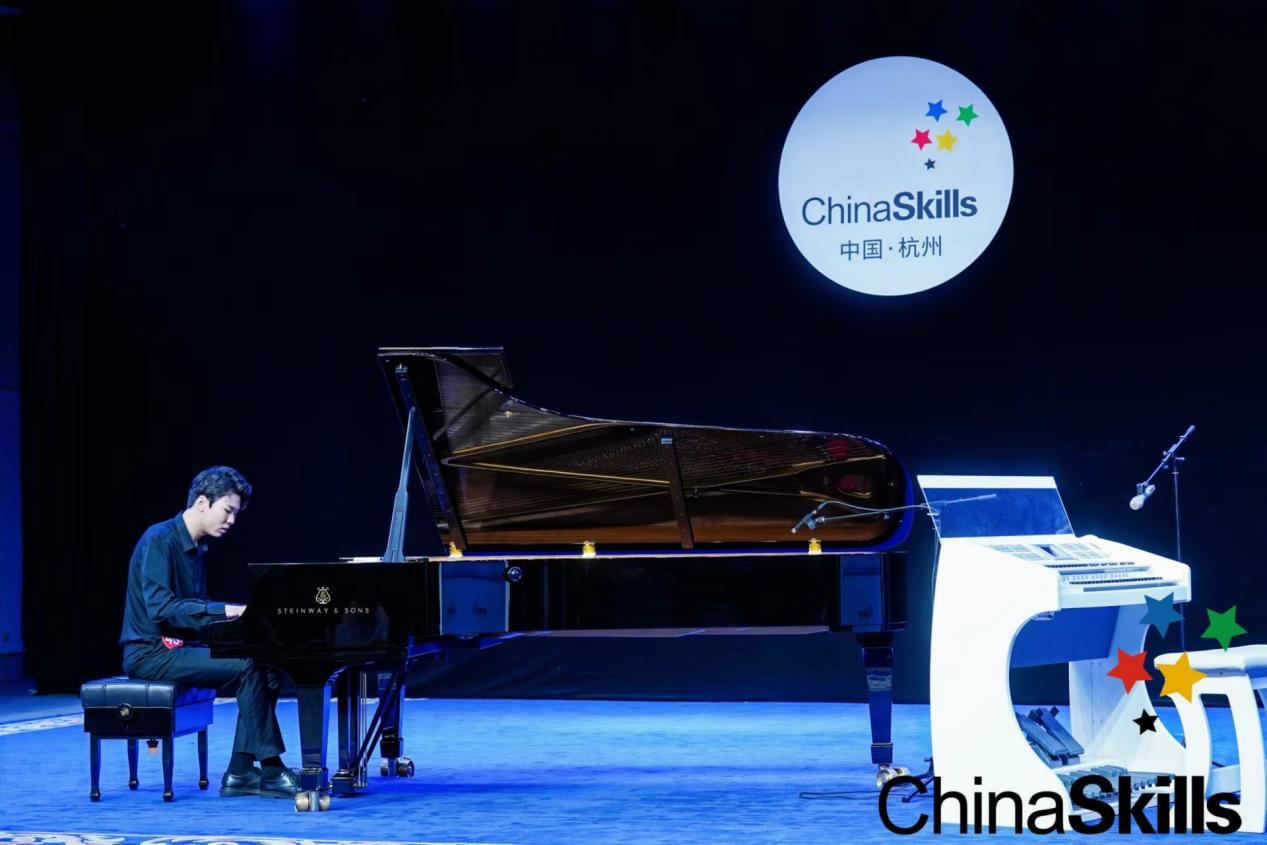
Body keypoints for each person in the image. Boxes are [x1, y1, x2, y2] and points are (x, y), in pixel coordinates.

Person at [118, 465, 300, 798]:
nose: (232, 520)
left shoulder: (196, 549)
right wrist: (227, 610)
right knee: (248, 665)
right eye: (227, 510)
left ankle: (240, 771)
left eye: (236, 514)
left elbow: (194, 615)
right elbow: (162, 608)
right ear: (203, 503)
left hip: (179, 649)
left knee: (267, 664)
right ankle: (272, 769)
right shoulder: (159, 540)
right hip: (150, 652)